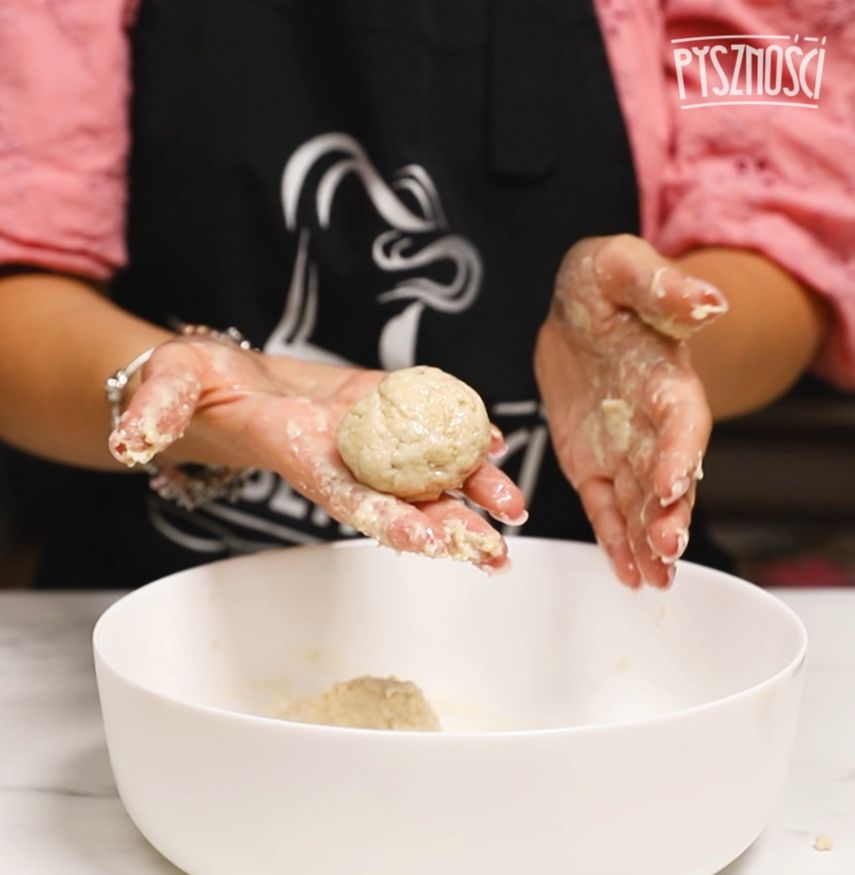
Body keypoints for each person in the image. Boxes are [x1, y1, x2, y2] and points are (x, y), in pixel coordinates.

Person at [0, 0, 851, 590]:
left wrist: (650, 344)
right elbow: (19, 288)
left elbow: (786, 238)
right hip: (178, 615)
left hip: (585, 615)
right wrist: (181, 389)